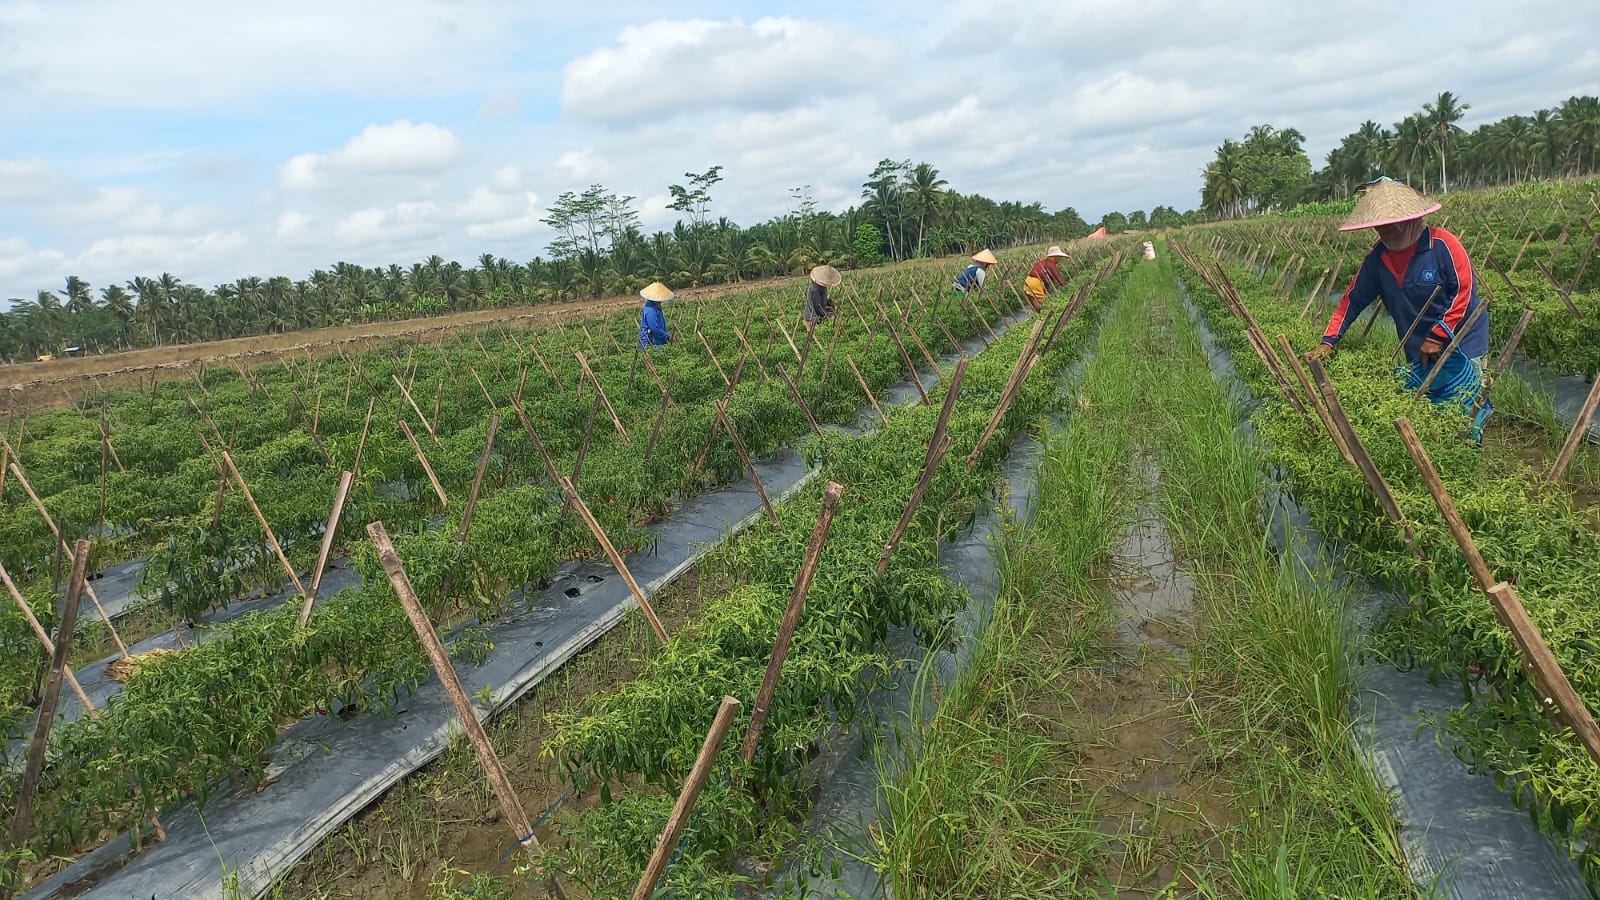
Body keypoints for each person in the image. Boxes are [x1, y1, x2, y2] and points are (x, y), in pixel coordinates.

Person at [1305, 177, 1491, 437]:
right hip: (1417, 344)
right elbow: (1351, 300)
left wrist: (1438, 335)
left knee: (1465, 406)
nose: (1383, 230)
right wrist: (1328, 341)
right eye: (1379, 225)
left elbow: (1464, 290)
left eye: (1390, 223)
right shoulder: (1378, 259)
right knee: (1430, 411)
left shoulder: (1443, 245)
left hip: (1463, 338)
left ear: (1410, 218)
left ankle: (1470, 457)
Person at [1023, 246, 1069, 311]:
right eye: (1059, 257)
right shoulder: (1051, 265)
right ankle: (1043, 316)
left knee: (1036, 303)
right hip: (1036, 284)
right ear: (1055, 257)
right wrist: (1067, 287)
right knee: (1044, 304)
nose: (1060, 259)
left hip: (1028, 281)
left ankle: (1037, 316)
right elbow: (1059, 280)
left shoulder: (1042, 262)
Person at [802, 265, 841, 329]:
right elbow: (818, 308)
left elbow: (822, 300)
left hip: (818, 315)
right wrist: (830, 315)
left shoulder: (822, 287)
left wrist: (828, 302)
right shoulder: (815, 290)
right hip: (812, 319)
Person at [638, 281, 675, 348]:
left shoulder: (656, 307)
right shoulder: (650, 310)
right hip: (650, 342)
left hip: (657, 341)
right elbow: (654, 329)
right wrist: (668, 337)